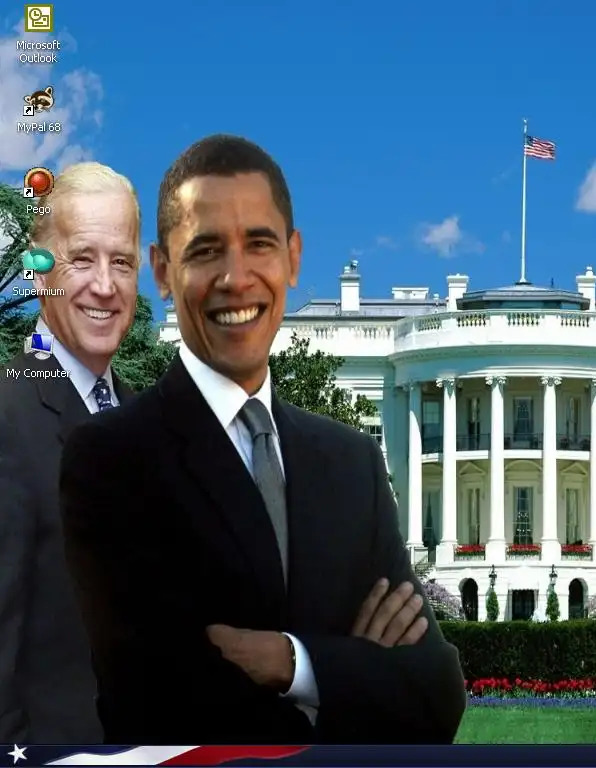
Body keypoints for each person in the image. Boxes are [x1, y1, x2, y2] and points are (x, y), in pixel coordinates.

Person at [59, 135, 467, 745]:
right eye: (205, 250)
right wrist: (359, 670)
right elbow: (158, 707)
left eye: (259, 244)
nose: (236, 278)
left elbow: (437, 697)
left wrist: (290, 663)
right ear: (162, 271)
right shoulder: (111, 457)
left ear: (293, 258)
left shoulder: (351, 462)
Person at [0, 162, 140, 742]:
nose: (105, 285)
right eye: (82, 259)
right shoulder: (7, 417)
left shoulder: (150, 425)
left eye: (122, 262)